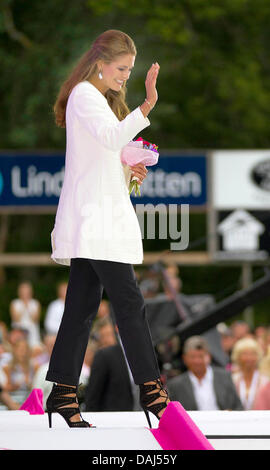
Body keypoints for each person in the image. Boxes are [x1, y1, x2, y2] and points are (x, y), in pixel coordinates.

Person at [45, 29, 170, 428]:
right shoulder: (84, 95)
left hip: (95, 220)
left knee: (81, 308)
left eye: (130, 71)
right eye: (122, 69)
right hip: (95, 221)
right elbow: (111, 136)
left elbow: (104, 151)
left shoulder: (95, 99)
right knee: (129, 303)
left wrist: (125, 166)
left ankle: (63, 392)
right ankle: (152, 390)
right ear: (100, 63)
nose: (125, 77)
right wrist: (148, 104)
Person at [167, 336, 243, 411]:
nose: (197, 361)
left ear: (209, 357)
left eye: (201, 356)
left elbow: (238, 406)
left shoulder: (225, 377)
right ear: (184, 358)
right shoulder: (176, 385)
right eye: (193, 357)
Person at [231, 337, 270, 410]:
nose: (249, 358)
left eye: (252, 354)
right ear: (238, 357)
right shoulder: (233, 380)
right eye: (245, 354)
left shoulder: (265, 381)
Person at [9, 281, 42, 348]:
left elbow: (35, 319)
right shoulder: (14, 303)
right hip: (19, 331)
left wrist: (28, 307)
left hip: (33, 332)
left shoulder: (35, 303)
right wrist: (24, 306)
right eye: (23, 290)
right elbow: (16, 319)